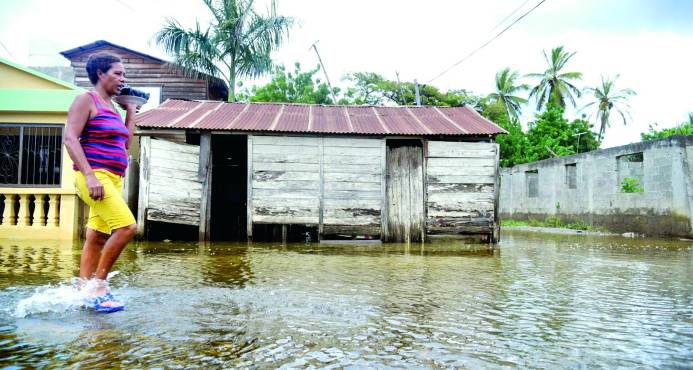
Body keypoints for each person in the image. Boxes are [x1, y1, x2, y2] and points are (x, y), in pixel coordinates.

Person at [63, 52, 138, 312]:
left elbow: (126, 143)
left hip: (115, 178)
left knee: (97, 236)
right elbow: (70, 138)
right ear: (100, 74)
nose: (122, 78)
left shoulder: (113, 108)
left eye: (123, 74)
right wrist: (90, 175)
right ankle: (98, 285)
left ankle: (83, 290)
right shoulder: (86, 100)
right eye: (117, 73)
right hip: (95, 175)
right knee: (127, 228)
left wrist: (130, 111)